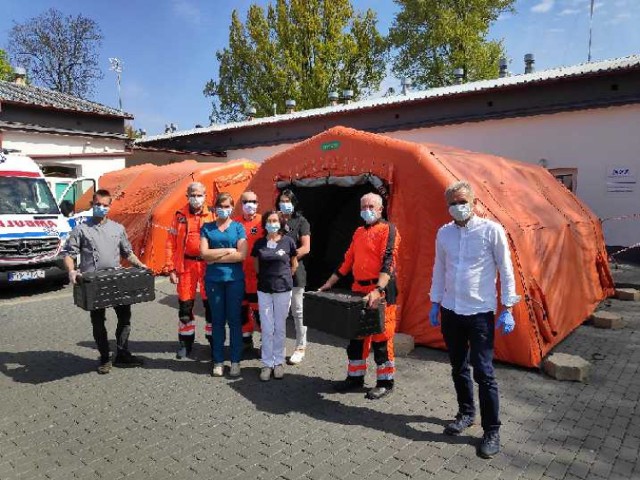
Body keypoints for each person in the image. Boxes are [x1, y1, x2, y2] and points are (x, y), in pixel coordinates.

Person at [429, 180, 520, 459]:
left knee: (484, 372)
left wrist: (508, 307)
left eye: (462, 201)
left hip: (480, 313)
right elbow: (439, 268)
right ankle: (466, 413)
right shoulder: (444, 233)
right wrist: (435, 302)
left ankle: (492, 429)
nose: (458, 206)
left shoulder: (491, 231)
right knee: (458, 366)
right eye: (453, 203)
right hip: (452, 311)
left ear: (475, 202)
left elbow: (506, 270)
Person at [319, 192, 400, 400]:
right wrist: (328, 284)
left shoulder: (388, 230)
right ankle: (355, 377)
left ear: (381, 209)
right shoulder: (358, 232)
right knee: (356, 336)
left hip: (381, 291)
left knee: (382, 337)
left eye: (371, 206)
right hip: (359, 290)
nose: (367, 210)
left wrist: (378, 289)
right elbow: (347, 261)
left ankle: (385, 381)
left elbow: (388, 261)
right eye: (364, 206)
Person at [63, 189, 148, 374]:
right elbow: (69, 254)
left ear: (110, 207)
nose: (101, 208)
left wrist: (141, 265)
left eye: (105, 205)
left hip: (116, 280)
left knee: (125, 318)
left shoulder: (118, 228)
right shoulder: (81, 229)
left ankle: (123, 354)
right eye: (98, 204)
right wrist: (71, 271)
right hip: (93, 283)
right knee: (98, 321)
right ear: (92, 205)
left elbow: (128, 253)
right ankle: (104, 357)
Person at [165, 182, 214, 359]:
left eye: (199, 194)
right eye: (193, 194)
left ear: (205, 195)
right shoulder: (178, 215)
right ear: (187, 196)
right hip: (186, 266)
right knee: (185, 306)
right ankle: (185, 343)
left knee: (211, 306)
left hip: (208, 266)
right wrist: (171, 268)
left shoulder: (213, 215)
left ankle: (213, 343)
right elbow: (170, 242)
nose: (196, 198)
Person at [200, 192, 247, 377]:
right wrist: (228, 250)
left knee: (235, 321)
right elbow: (204, 254)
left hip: (235, 280)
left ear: (232, 207)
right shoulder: (207, 228)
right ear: (215, 207)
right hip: (214, 280)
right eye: (221, 206)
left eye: (228, 206)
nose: (224, 209)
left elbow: (241, 255)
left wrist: (215, 255)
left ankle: (235, 361)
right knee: (217, 321)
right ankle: (218, 361)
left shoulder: (238, 227)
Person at [252, 211, 298, 381]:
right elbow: (256, 264)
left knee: (280, 327)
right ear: (264, 224)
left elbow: (294, 263)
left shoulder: (288, 241)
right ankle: (266, 364)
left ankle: (278, 362)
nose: (272, 223)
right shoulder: (259, 243)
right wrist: (265, 277)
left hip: (283, 289)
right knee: (266, 327)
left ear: (280, 223)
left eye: (275, 221)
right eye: (269, 221)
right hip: (264, 289)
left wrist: (284, 277)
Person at [278, 189, 311, 365]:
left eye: (287, 201)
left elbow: (306, 247)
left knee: (298, 311)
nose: (284, 204)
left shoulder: (301, 221)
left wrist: (288, 257)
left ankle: (300, 347)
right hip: (277, 272)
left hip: (295, 270)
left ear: (294, 203)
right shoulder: (274, 220)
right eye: (282, 201)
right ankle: (278, 346)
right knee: (280, 311)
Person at [234, 190, 262, 352]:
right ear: (241, 205)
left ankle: (266, 343)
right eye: (245, 202)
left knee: (260, 312)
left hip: (257, 277)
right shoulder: (234, 224)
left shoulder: (263, 222)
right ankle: (246, 341)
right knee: (242, 310)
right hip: (239, 277)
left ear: (257, 204)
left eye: (252, 201)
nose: (249, 205)